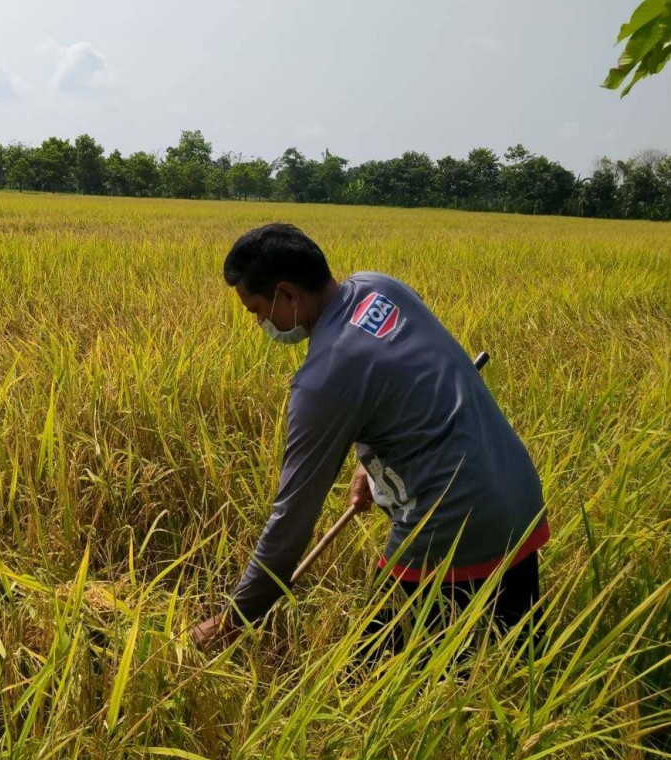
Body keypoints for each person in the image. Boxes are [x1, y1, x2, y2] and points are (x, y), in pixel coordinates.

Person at [191, 223, 548, 650]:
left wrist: (234, 619)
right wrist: (370, 467)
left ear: (287, 294)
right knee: (517, 656)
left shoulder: (322, 381)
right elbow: (411, 379)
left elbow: (292, 519)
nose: (260, 323)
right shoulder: (379, 287)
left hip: (450, 526)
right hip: (518, 497)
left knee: (372, 676)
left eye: (257, 310)